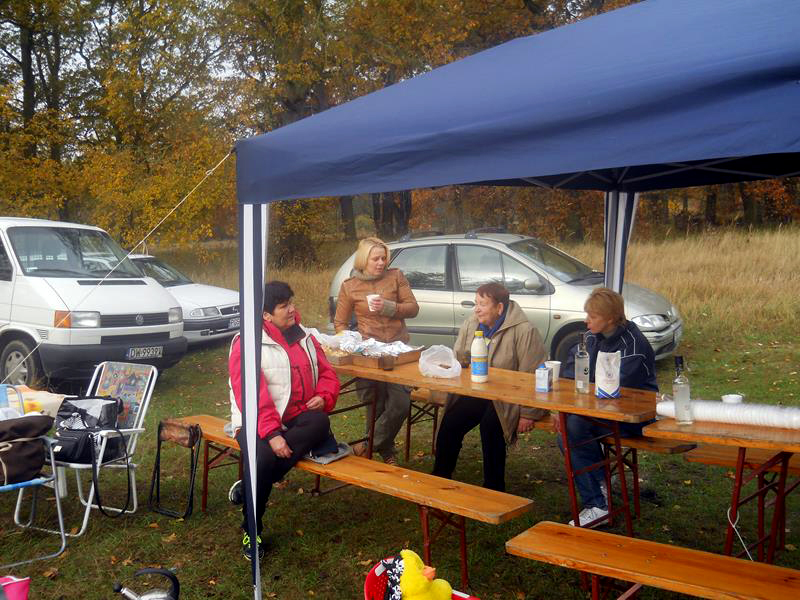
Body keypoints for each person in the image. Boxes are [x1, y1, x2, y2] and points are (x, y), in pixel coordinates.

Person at [228, 281, 340, 561]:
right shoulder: (247, 343)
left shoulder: (304, 336)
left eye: (291, 302)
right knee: (263, 458)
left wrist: (324, 396)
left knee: (319, 422)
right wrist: (272, 433)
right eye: (284, 306)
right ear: (266, 315)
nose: (292, 309)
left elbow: (327, 373)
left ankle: (250, 485)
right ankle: (251, 529)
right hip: (254, 419)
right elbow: (251, 395)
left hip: (294, 415)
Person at [432, 282, 547, 492]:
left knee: (491, 426)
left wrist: (528, 413)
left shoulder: (524, 330)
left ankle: (494, 489)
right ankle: (439, 479)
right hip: (477, 390)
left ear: (499, 308)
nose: (476, 309)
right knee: (451, 421)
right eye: (476, 303)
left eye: (482, 304)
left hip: (509, 396)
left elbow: (534, 373)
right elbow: (459, 359)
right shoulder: (472, 324)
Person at [559, 287, 658, 527]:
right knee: (568, 430)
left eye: (593, 316)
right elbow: (570, 376)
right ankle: (599, 491)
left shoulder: (633, 345)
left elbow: (618, 393)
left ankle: (598, 504)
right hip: (598, 412)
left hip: (635, 417)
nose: (587, 321)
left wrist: (573, 408)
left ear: (611, 318)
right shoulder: (591, 337)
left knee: (573, 428)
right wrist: (561, 407)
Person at [334, 237, 419, 465]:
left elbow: (413, 308)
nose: (381, 263)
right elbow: (340, 323)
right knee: (375, 403)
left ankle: (367, 446)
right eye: (376, 259)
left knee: (400, 403)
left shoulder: (396, 276)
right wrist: (351, 341)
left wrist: (389, 307)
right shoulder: (350, 286)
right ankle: (386, 451)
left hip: (398, 351)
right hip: (369, 353)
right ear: (364, 260)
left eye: (384, 258)